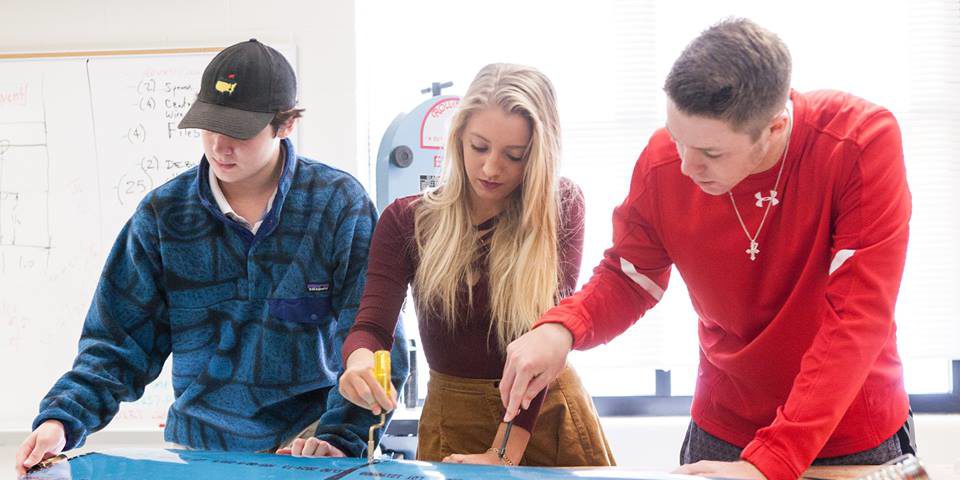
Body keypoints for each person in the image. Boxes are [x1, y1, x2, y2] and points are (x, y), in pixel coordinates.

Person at [498, 18, 915, 480]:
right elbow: (630, 277)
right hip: (723, 428)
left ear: (775, 127)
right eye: (677, 138)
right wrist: (563, 329)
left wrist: (770, 461)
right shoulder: (666, 160)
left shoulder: (858, 143)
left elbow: (858, 315)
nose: (685, 165)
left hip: (849, 433)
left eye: (711, 154)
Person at [14, 39, 408, 476]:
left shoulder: (337, 204)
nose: (220, 146)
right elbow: (116, 345)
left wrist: (338, 440)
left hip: (309, 448)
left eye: (239, 131)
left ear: (285, 124)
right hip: (201, 453)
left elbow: (376, 340)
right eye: (209, 126)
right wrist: (60, 421)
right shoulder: (162, 216)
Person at [337, 63, 614, 467]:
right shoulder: (405, 221)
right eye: (479, 147)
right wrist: (359, 361)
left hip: (543, 420)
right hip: (451, 419)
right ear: (458, 138)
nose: (491, 168)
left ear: (539, 155)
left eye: (514, 156)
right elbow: (372, 328)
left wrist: (503, 453)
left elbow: (542, 343)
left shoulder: (559, 207)